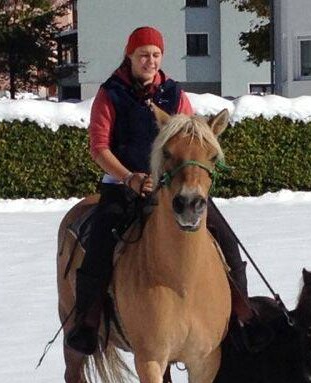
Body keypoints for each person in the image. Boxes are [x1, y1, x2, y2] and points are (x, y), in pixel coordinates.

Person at [66, 26, 251, 355]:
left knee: (225, 236)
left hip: (169, 189)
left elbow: (193, 140)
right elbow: (99, 148)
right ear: (130, 56)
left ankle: (240, 312)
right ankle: (88, 320)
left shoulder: (174, 94)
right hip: (122, 187)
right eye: (143, 55)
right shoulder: (111, 94)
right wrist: (129, 178)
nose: (149, 61)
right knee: (101, 242)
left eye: (155, 55)